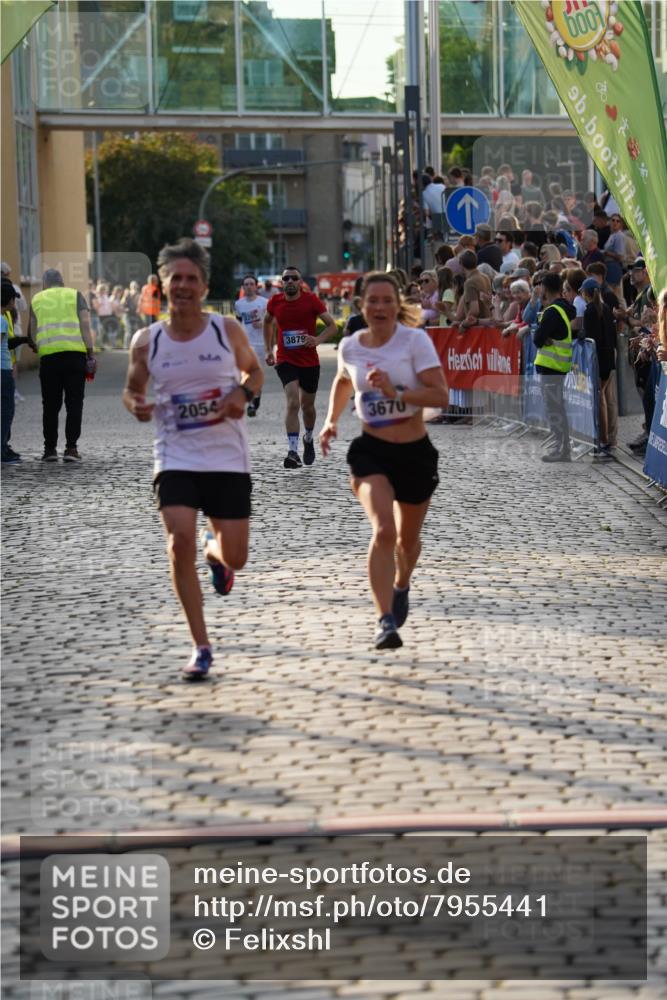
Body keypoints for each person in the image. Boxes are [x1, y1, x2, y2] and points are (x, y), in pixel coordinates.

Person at [123, 238, 263, 681]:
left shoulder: (226, 331)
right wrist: (135, 405)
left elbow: (254, 372)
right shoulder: (147, 341)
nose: (182, 286)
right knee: (177, 538)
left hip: (226, 458)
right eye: (174, 278)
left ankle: (215, 552)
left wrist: (242, 394)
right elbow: (131, 389)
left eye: (191, 279)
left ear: (204, 287)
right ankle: (200, 645)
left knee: (236, 556)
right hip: (175, 456)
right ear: (162, 285)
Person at [319, 272, 449, 650]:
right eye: (371, 301)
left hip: (414, 453)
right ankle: (384, 620)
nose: (379, 307)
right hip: (371, 450)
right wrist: (330, 421)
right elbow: (345, 381)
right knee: (383, 532)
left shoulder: (415, 342)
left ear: (397, 305)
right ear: (361, 306)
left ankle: (401, 583)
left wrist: (399, 391)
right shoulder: (351, 346)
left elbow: (441, 395)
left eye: (386, 300)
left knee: (407, 543)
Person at [263, 266, 337, 469]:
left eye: (293, 278)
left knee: (307, 407)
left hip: (309, 361)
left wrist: (317, 339)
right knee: (293, 402)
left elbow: (332, 326)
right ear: (281, 282)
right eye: (285, 278)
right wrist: (269, 349)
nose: (289, 281)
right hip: (285, 359)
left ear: (300, 282)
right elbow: (267, 322)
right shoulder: (274, 302)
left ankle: (309, 437)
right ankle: (293, 451)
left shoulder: (311, 300)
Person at [27, 269, 96, 463]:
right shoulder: (75, 295)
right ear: (62, 282)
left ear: (45, 284)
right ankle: (71, 449)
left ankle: (49, 450)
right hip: (75, 357)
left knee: (50, 405)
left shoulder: (37, 299)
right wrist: (90, 353)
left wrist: (37, 345)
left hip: (49, 359)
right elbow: (85, 324)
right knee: (74, 402)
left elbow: (32, 333)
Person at [533, 272, 576, 462]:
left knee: (555, 409)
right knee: (557, 408)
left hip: (552, 368)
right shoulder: (562, 309)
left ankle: (562, 449)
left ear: (545, 289)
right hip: (557, 367)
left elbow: (537, 339)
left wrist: (543, 336)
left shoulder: (552, 311)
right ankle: (561, 447)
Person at [580, 276, 617, 459]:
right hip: (608, 360)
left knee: (599, 400)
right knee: (601, 399)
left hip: (598, 361)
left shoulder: (590, 311)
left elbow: (589, 335)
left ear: (585, 294)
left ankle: (602, 441)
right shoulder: (607, 309)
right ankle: (604, 439)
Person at [1, 280, 35, 464]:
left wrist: (23, 340)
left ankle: (4, 447)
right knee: (6, 411)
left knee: (5, 410)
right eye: (13, 300)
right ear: (7, 301)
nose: (15, 304)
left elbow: (7, 342)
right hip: (2, 371)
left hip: (4, 369)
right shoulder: (0, 320)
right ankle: (1, 450)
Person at [234, 273, 268, 416]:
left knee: (256, 374)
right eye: (246, 284)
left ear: (256, 286)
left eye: (251, 284)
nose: (248, 287)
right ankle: (251, 403)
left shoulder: (264, 302)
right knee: (244, 374)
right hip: (245, 344)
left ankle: (256, 399)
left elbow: (273, 322)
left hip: (260, 344)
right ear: (243, 287)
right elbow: (238, 323)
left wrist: (263, 324)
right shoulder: (239, 304)